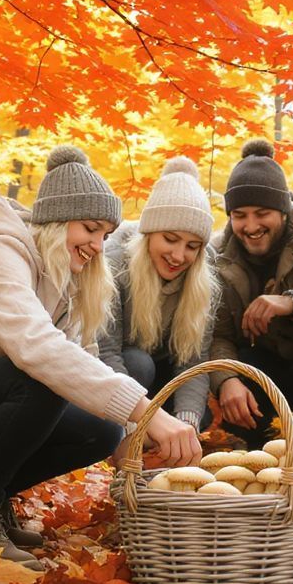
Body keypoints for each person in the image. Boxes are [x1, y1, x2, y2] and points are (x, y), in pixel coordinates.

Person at [0, 146, 202, 570]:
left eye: (105, 234)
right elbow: (38, 348)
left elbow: (84, 359)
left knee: (100, 431)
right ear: (57, 220)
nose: (98, 246)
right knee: (39, 374)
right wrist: (150, 410)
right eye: (90, 229)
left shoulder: (64, 282)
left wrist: (131, 430)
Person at [209, 138, 293, 446]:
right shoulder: (218, 255)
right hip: (265, 373)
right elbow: (218, 334)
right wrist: (226, 380)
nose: (250, 225)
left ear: (284, 212)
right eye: (240, 215)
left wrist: (292, 302)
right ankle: (261, 454)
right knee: (237, 364)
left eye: (262, 213)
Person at [98, 157, 219, 433]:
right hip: (119, 377)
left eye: (192, 246)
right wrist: (137, 425)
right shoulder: (116, 264)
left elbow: (193, 360)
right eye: (170, 239)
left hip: (164, 380)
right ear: (150, 233)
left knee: (200, 416)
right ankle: (124, 436)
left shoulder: (204, 279)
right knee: (138, 361)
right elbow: (106, 353)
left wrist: (187, 424)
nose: (179, 256)